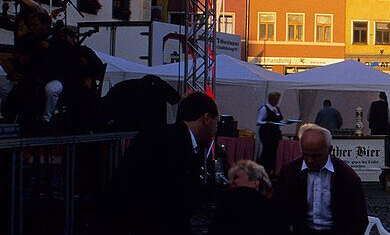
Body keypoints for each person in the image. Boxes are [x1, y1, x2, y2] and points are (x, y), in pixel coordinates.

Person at [100, 91, 219, 235]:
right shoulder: (173, 143)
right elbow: (171, 200)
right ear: (206, 118)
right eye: (216, 123)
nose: (215, 131)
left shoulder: (160, 135)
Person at [274, 123, 368, 235]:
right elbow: (278, 212)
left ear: (330, 150)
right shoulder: (290, 172)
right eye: (306, 155)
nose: (310, 160)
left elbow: (358, 219)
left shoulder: (347, 176)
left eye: (316, 156)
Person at [208, 159, 283, 235]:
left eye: (236, 177)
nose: (229, 182)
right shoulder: (272, 208)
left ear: (254, 182)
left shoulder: (231, 201)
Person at [101, 73, 181, 131]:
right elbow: (175, 98)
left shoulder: (120, 89)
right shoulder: (155, 84)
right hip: (153, 127)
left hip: (139, 128)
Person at [257, 91, 285, 173]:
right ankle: (262, 168)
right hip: (266, 132)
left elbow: (279, 120)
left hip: (274, 133)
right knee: (266, 150)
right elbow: (258, 121)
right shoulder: (264, 108)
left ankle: (271, 169)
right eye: (275, 100)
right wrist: (266, 122)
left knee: (273, 151)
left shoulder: (276, 109)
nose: (276, 102)